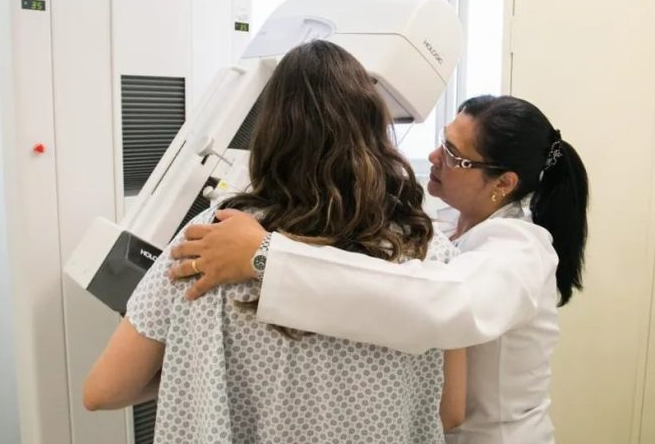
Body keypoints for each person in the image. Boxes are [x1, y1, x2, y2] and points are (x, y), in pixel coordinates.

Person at [83, 39, 466, 443]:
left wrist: (194, 367)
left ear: (270, 133)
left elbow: (103, 390)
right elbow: (451, 411)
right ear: (373, 129)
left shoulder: (211, 240)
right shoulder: (428, 250)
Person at [169, 94, 590, 444]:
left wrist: (266, 257)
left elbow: (437, 304)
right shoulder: (446, 225)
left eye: (453, 155)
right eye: (442, 142)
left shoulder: (522, 252)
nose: (434, 157)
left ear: (504, 183)